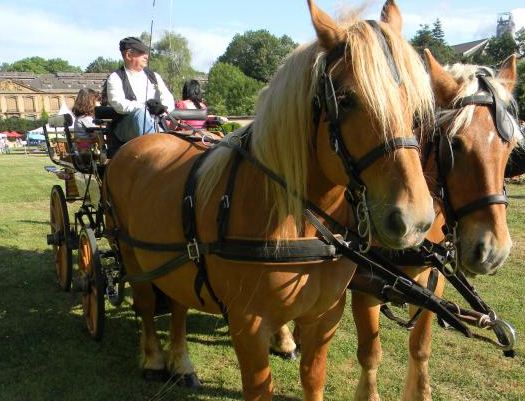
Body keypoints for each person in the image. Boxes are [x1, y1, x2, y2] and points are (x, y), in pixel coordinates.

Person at [106, 36, 175, 142]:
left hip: (158, 121)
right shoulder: (115, 78)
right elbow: (119, 104)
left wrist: (163, 109)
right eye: (141, 53)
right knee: (141, 114)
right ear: (128, 55)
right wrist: (146, 107)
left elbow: (167, 97)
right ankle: (154, 146)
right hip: (127, 126)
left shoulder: (154, 76)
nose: (146, 56)